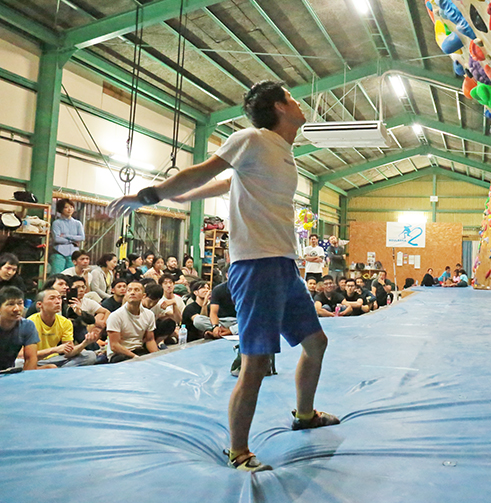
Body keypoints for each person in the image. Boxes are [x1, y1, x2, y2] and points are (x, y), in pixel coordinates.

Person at [108, 80, 338, 472]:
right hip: (256, 266)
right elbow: (204, 171)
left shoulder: (282, 152)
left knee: (316, 343)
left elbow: (229, 182)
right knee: (256, 362)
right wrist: (152, 194)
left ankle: (304, 415)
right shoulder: (251, 138)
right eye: (292, 98)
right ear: (279, 107)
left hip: (284, 265)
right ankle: (239, 450)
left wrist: (187, 196)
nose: (299, 104)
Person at [28, 288, 98, 367]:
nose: (58, 302)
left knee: (90, 355)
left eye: (59, 298)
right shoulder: (30, 323)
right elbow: (24, 354)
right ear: (39, 304)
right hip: (35, 359)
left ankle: (54, 369)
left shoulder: (65, 322)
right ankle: (57, 369)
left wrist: (84, 343)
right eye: (52, 298)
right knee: (19, 362)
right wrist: (54, 350)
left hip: (55, 359)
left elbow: (69, 352)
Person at [106, 281, 158, 363]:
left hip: (138, 350)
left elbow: (150, 340)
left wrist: (157, 356)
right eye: (129, 290)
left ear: (143, 295)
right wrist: (135, 357)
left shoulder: (149, 314)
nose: (132, 293)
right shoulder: (115, 316)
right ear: (126, 295)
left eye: (136, 290)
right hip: (119, 354)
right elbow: (114, 346)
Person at [0, 286, 39, 371]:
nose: (16, 309)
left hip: (8, 371)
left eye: (20, 303)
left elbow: (30, 359)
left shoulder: (27, 326)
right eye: (10, 304)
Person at [50, 198, 85, 275]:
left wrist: (66, 236)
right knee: (57, 275)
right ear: (61, 209)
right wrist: (72, 241)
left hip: (73, 255)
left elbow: (82, 237)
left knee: (71, 276)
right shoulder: (57, 223)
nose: (69, 209)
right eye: (66, 207)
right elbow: (57, 239)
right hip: (59, 253)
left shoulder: (77, 223)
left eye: (71, 207)